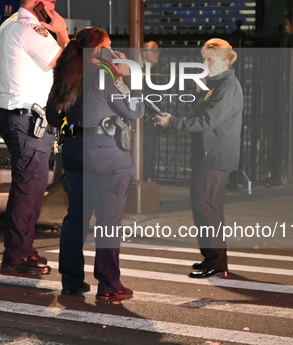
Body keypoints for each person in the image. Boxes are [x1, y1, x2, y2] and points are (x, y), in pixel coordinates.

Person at [46, 27, 145, 300]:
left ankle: (71, 281)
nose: (112, 50)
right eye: (109, 45)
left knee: (76, 218)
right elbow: (135, 109)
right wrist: (130, 77)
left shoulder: (67, 73)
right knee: (108, 221)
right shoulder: (106, 76)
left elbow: (53, 117)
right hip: (106, 155)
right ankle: (109, 285)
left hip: (75, 152)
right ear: (99, 49)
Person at [0, 0, 70, 275]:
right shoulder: (30, 28)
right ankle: (16, 256)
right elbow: (64, 61)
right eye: (50, 3)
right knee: (30, 188)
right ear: (38, 3)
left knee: (31, 187)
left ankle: (21, 248)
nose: (53, 9)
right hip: (27, 121)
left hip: (22, 118)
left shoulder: (10, 25)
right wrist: (61, 31)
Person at [154, 38, 243, 278]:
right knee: (204, 206)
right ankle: (212, 258)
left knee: (207, 207)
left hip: (215, 156)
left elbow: (207, 122)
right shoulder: (217, 85)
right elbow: (204, 116)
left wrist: (172, 122)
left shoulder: (227, 87)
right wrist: (201, 91)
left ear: (226, 60)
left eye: (210, 59)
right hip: (210, 154)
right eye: (204, 58)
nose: (205, 63)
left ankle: (216, 261)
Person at [140, 41, 161, 181]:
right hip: (142, 120)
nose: (157, 53)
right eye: (153, 50)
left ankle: (148, 181)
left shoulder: (153, 73)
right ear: (142, 52)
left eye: (158, 50)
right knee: (144, 154)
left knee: (150, 154)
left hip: (152, 120)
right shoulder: (140, 73)